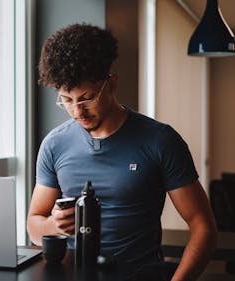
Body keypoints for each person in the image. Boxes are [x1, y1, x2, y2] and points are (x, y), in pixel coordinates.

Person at [27, 23, 217, 281]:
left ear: (112, 83)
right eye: (67, 100)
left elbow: (203, 226)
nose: (77, 111)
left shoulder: (161, 140)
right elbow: (34, 225)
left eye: (87, 98)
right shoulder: (54, 144)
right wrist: (52, 225)